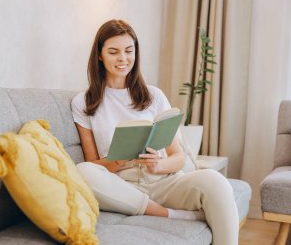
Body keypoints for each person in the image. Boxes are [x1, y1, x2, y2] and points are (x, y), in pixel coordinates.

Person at [71, 19, 239, 245]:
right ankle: (166, 213)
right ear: (99, 55)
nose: (123, 59)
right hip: (121, 186)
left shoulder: (154, 96)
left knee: (215, 181)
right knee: (82, 171)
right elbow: (92, 163)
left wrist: (159, 165)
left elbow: (178, 158)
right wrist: (117, 161)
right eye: (113, 52)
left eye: (129, 51)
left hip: (162, 180)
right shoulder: (83, 102)